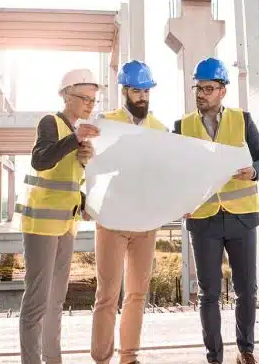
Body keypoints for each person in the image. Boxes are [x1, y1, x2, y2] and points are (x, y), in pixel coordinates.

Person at [173, 57, 259, 364]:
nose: (201, 93)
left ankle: (246, 351)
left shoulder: (242, 120)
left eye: (208, 88)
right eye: (198, 88)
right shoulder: (182, 126)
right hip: (204, 221)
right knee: (209, 294)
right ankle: (214, 357)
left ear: (222, 91)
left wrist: (254, 171)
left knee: (246, 290)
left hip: (241, 217)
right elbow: (174, 172)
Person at [16, 68, 101, 364]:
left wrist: (87, 201)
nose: (90, 104)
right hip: (41, 224)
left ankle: (54, 360)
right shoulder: (50, 122)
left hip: (66, 224)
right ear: (66, 95)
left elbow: (69, 183)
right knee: (37, 301)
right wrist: (74, 140)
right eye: (84, 97)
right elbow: (40, 160)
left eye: (93, 99)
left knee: (56, 301)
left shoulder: (77, 135)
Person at [87, 60, 168, 364]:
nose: (143, 96)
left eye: (146, 91)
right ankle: (101, 358)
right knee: (107, 294)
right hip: (112, 221)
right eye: (137, 90)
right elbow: (91, 166)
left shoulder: (160, 129)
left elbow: (166, 173)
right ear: (124, 91)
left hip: (146, 223)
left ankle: (129, 357)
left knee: (136, 294)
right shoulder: (105, 122)